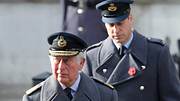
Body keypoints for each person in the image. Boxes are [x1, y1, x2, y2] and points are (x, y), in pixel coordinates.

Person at [83, 0, 180, 101]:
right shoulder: (92, 56)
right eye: (111, 25)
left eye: (119, 24)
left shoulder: (157, 52)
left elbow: (172, 97)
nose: (115, 30)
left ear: (130, 19)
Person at [22, 32, 118, 101]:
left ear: (81, 63)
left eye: (66, 60)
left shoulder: (105, 95)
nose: (60, 67)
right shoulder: (34, 98)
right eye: (57, 60)